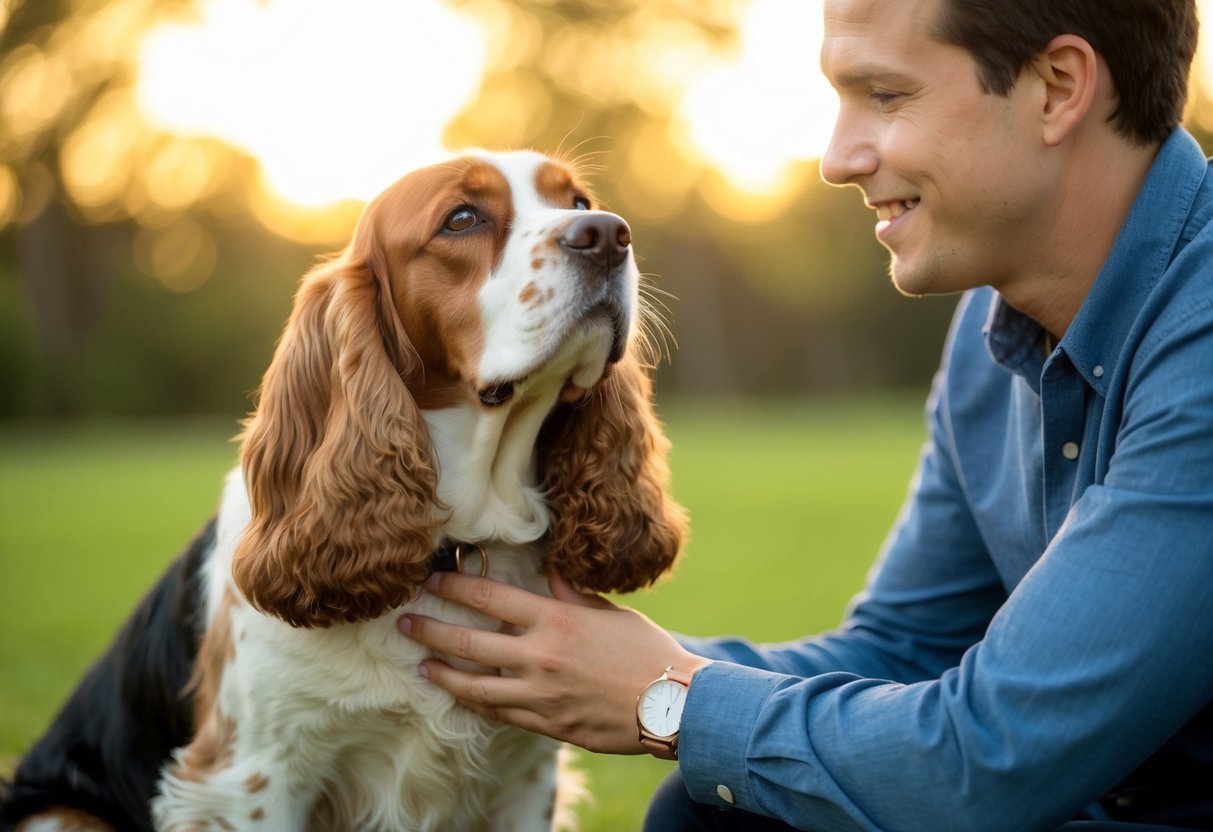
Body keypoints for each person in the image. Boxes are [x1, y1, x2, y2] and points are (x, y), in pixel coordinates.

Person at [396, 0, 1213, 828]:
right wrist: (562, 660)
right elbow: (898, 650)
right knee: (718, 808)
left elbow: (990, 758)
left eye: (884, 96)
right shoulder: (990, 329)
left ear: (1057, 87)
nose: (836, 157)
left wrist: (665, 696)